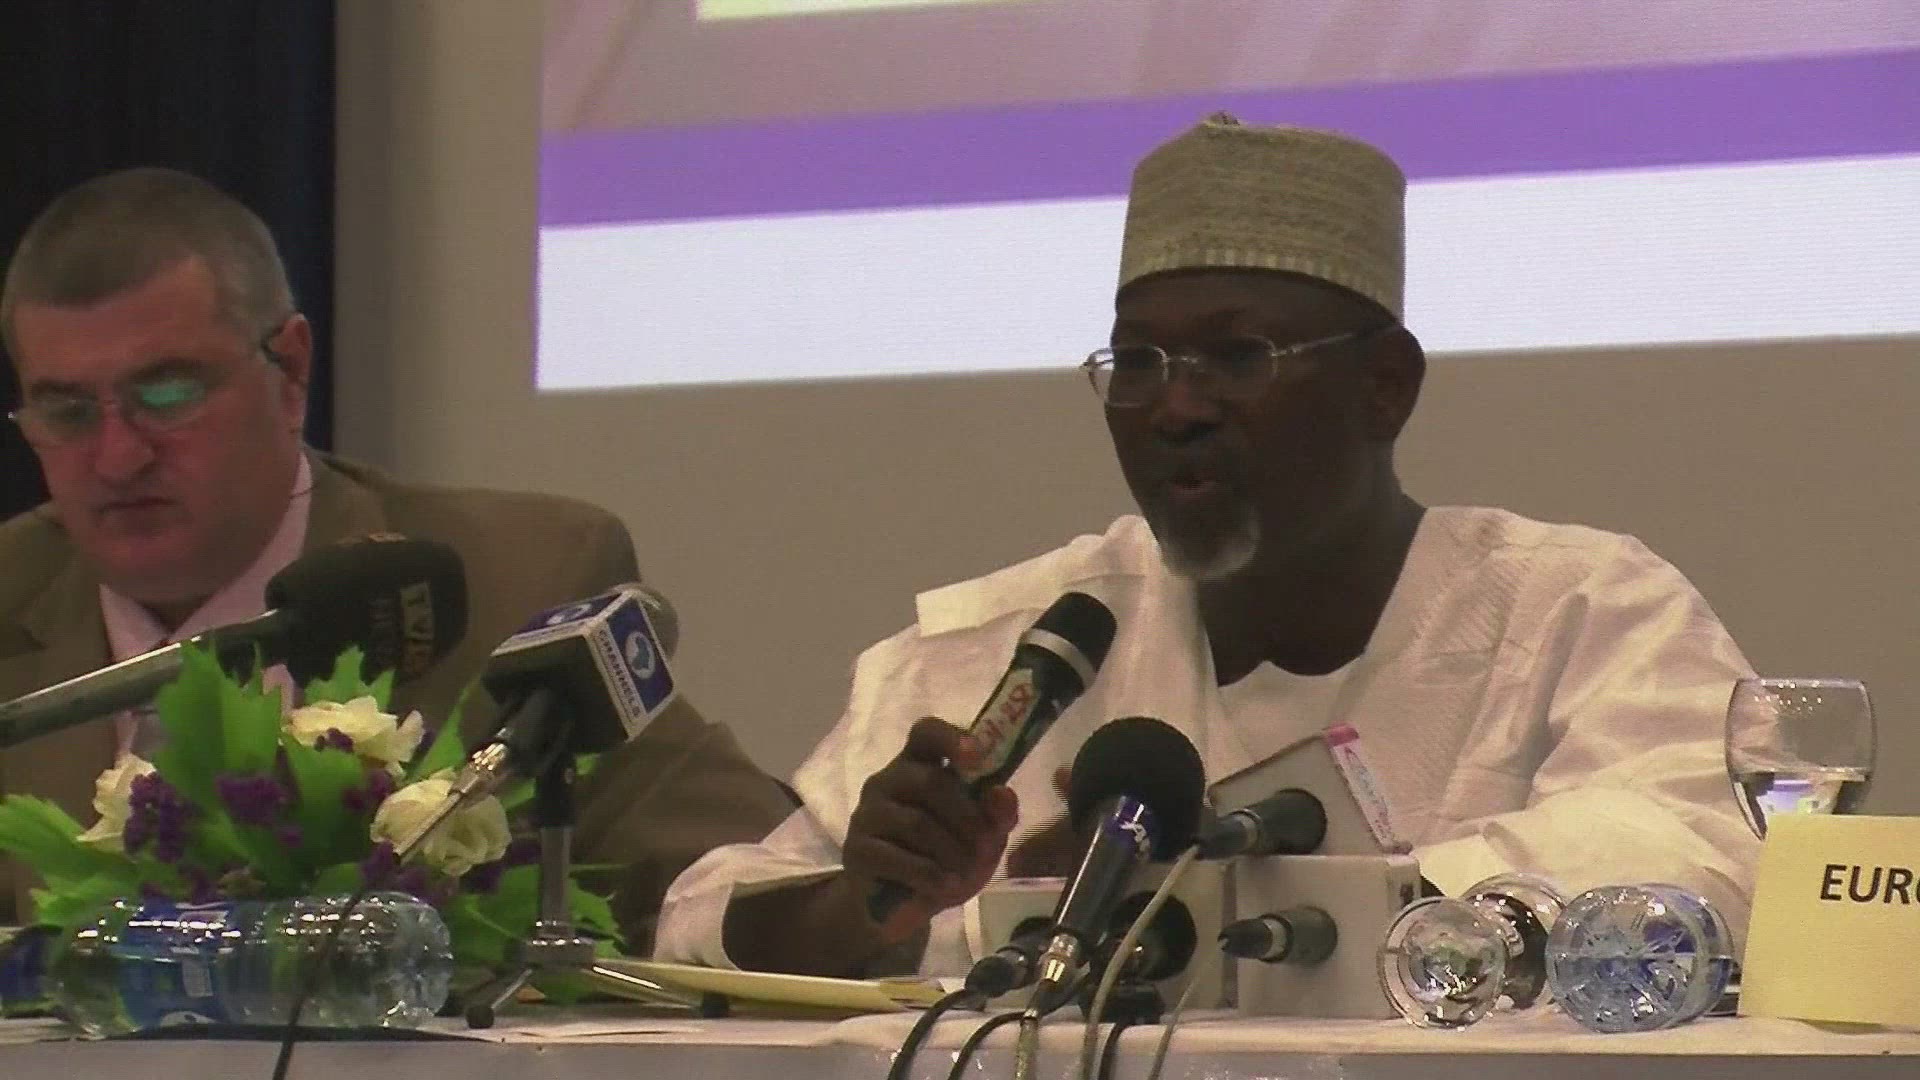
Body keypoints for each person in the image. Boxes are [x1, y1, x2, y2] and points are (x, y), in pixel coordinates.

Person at [655, 114, 1759, 977]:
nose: (1175, 409)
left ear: (1384, 386)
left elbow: (1710, 863)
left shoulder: (1578, 611)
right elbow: (702, 924)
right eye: (1136, 365)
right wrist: (871, 904)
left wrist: (1224, 892)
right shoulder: (1019, 647)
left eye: (1237, 359)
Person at [0, 167, 796, 946]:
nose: (117, 458)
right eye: (67, 412)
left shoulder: (517, 582)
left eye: (169, 395)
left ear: (291, 371)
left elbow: (752, 880)